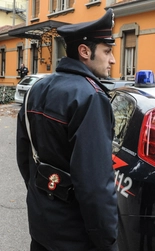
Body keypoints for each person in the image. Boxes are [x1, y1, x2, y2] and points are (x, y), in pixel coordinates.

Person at [16, 8, 119, 251]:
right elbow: (95, 185)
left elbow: (25, 159)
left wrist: (46, 199)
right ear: (84, 52)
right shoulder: (90, 97)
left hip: (42, 226)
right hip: (76, 235)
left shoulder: (37, 89)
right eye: (107, 51)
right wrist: (107, 242)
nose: (112, 60)